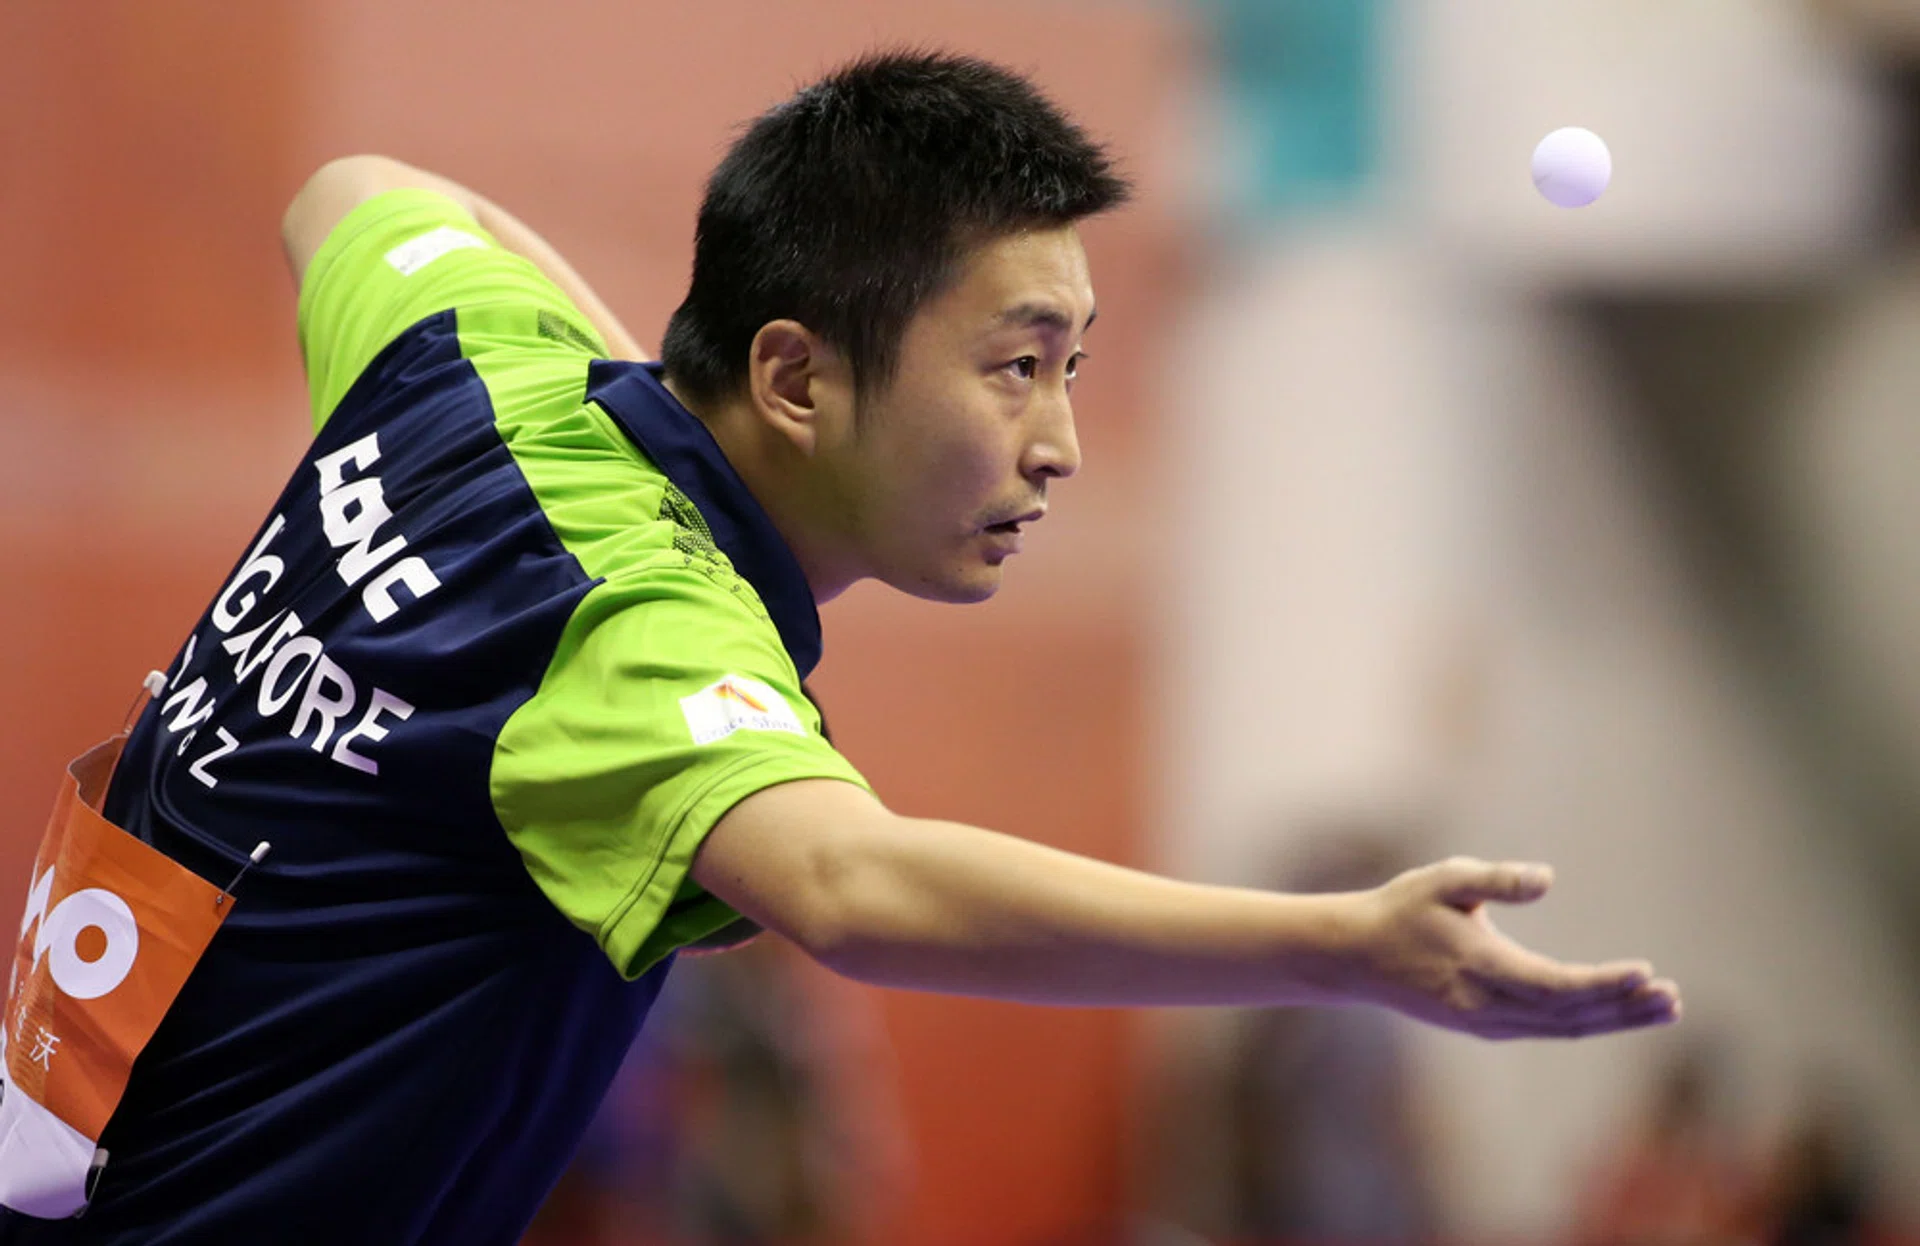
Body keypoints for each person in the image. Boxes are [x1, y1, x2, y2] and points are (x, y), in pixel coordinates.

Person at [0, 51, 1680, 1244]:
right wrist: (1337, 946)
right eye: (1013, 365)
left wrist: (632, 397)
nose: (1060, 445)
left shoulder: (469, 363)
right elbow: (862, 890)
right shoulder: (632, 639)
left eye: (1075, 364)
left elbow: (355, 192)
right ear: (800, 379)